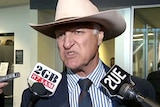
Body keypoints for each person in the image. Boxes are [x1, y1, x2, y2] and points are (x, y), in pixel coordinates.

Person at [21, 0, 156, 107]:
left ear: (99, 37)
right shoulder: (35, 98)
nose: (67, 44)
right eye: (61, 34)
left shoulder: (141, 90)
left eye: (78, 32)